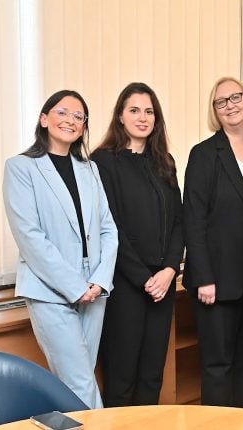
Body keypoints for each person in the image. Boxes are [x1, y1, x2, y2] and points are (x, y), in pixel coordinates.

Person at [2, 90, 118, 408]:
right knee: (80, 381)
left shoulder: (89, 169)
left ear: (83, 127)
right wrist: (75, 286)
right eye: (62, 112)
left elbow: (108, 229)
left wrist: (99, 280)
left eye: (79, 117)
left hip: (94, 288)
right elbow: (30, 237)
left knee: (77, 378)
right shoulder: (21, 168)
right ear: (44, 119)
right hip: (49, 289)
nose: (70, 120)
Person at [92, 82, 184, 406]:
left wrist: (170, 270)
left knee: (152, 375)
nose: (142, 118)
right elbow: (109, 228)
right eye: (134, 110)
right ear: (120, 115)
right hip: (125, 284)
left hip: (163, 283)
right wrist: (145, 278)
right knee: (122, 376)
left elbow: (179, 222)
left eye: (149, 111)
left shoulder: (165, 161)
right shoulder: (103, 162)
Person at [183, 77, 243, 406]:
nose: (231, 105)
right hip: (217, 280)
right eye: (221, 101)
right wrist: (204, 277)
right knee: (218, 364)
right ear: (215, 110)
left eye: (236, 97)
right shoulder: (204, 154)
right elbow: (193, 220)